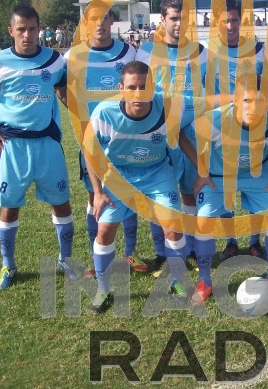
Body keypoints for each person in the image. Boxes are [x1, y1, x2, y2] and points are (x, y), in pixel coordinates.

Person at [0, 4, 76, 290]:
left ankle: (66, 260)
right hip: (12, 146)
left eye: (32, 29)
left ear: (40, 30)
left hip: (48, 144)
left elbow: (62, 88)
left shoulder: (54, 59)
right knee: (9, 207)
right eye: (21, 29)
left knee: (61, 203)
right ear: (10, 31)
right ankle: (8, 265)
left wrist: (77, 111)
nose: (27, 35)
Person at [85, 60, 201, 313]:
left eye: (144, 87)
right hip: (118, 176)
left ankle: (178, 282)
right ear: (121, 88)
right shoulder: (104, 113)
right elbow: (90, 152)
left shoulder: (171, 105)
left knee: (173, 228)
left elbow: (210, 104)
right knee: (104, 231)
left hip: (157, 172)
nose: (138, 93)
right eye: (132, 87)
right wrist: (98, 192)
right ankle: (103, 289)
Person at [180, 78, 268, 304]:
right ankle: (205, 281)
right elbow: (183, 137)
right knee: (203, 223)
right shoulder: (213, 120)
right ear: (235, 100)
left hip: (258, 173)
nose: (253, 107)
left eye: (259, 101)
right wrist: (201, 170)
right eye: (246, 100)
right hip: (218, 176)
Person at [63, 0, 145, 276]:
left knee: (129, 195)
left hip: (125, 137)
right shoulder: (73, 56)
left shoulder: (128, 52)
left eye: (104, 18)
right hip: (92, 139)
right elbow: (60, 87)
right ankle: (95, 254)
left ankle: (130, 253)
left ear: (112, 20)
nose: (99, 24)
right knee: (94, 197)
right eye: (93, 19)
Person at [136, 0, 208, 272]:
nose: (179, 23)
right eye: (174, 18)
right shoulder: (146, 52)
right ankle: (162, 252)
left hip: (192, 133)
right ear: (163, 20)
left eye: (184, 18)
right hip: (158, 133)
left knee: (189, 192)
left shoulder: (202, 53)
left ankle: (189, 247)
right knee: (159, 195)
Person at [201, 0, 267, 261]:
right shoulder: (207, 52)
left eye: (235, 20)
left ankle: (254, 241)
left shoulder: (259, 51)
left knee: (255, 183)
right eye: (225, 21)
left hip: (253, 125)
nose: (230, 26)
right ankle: (231, 241)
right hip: (221, 128)